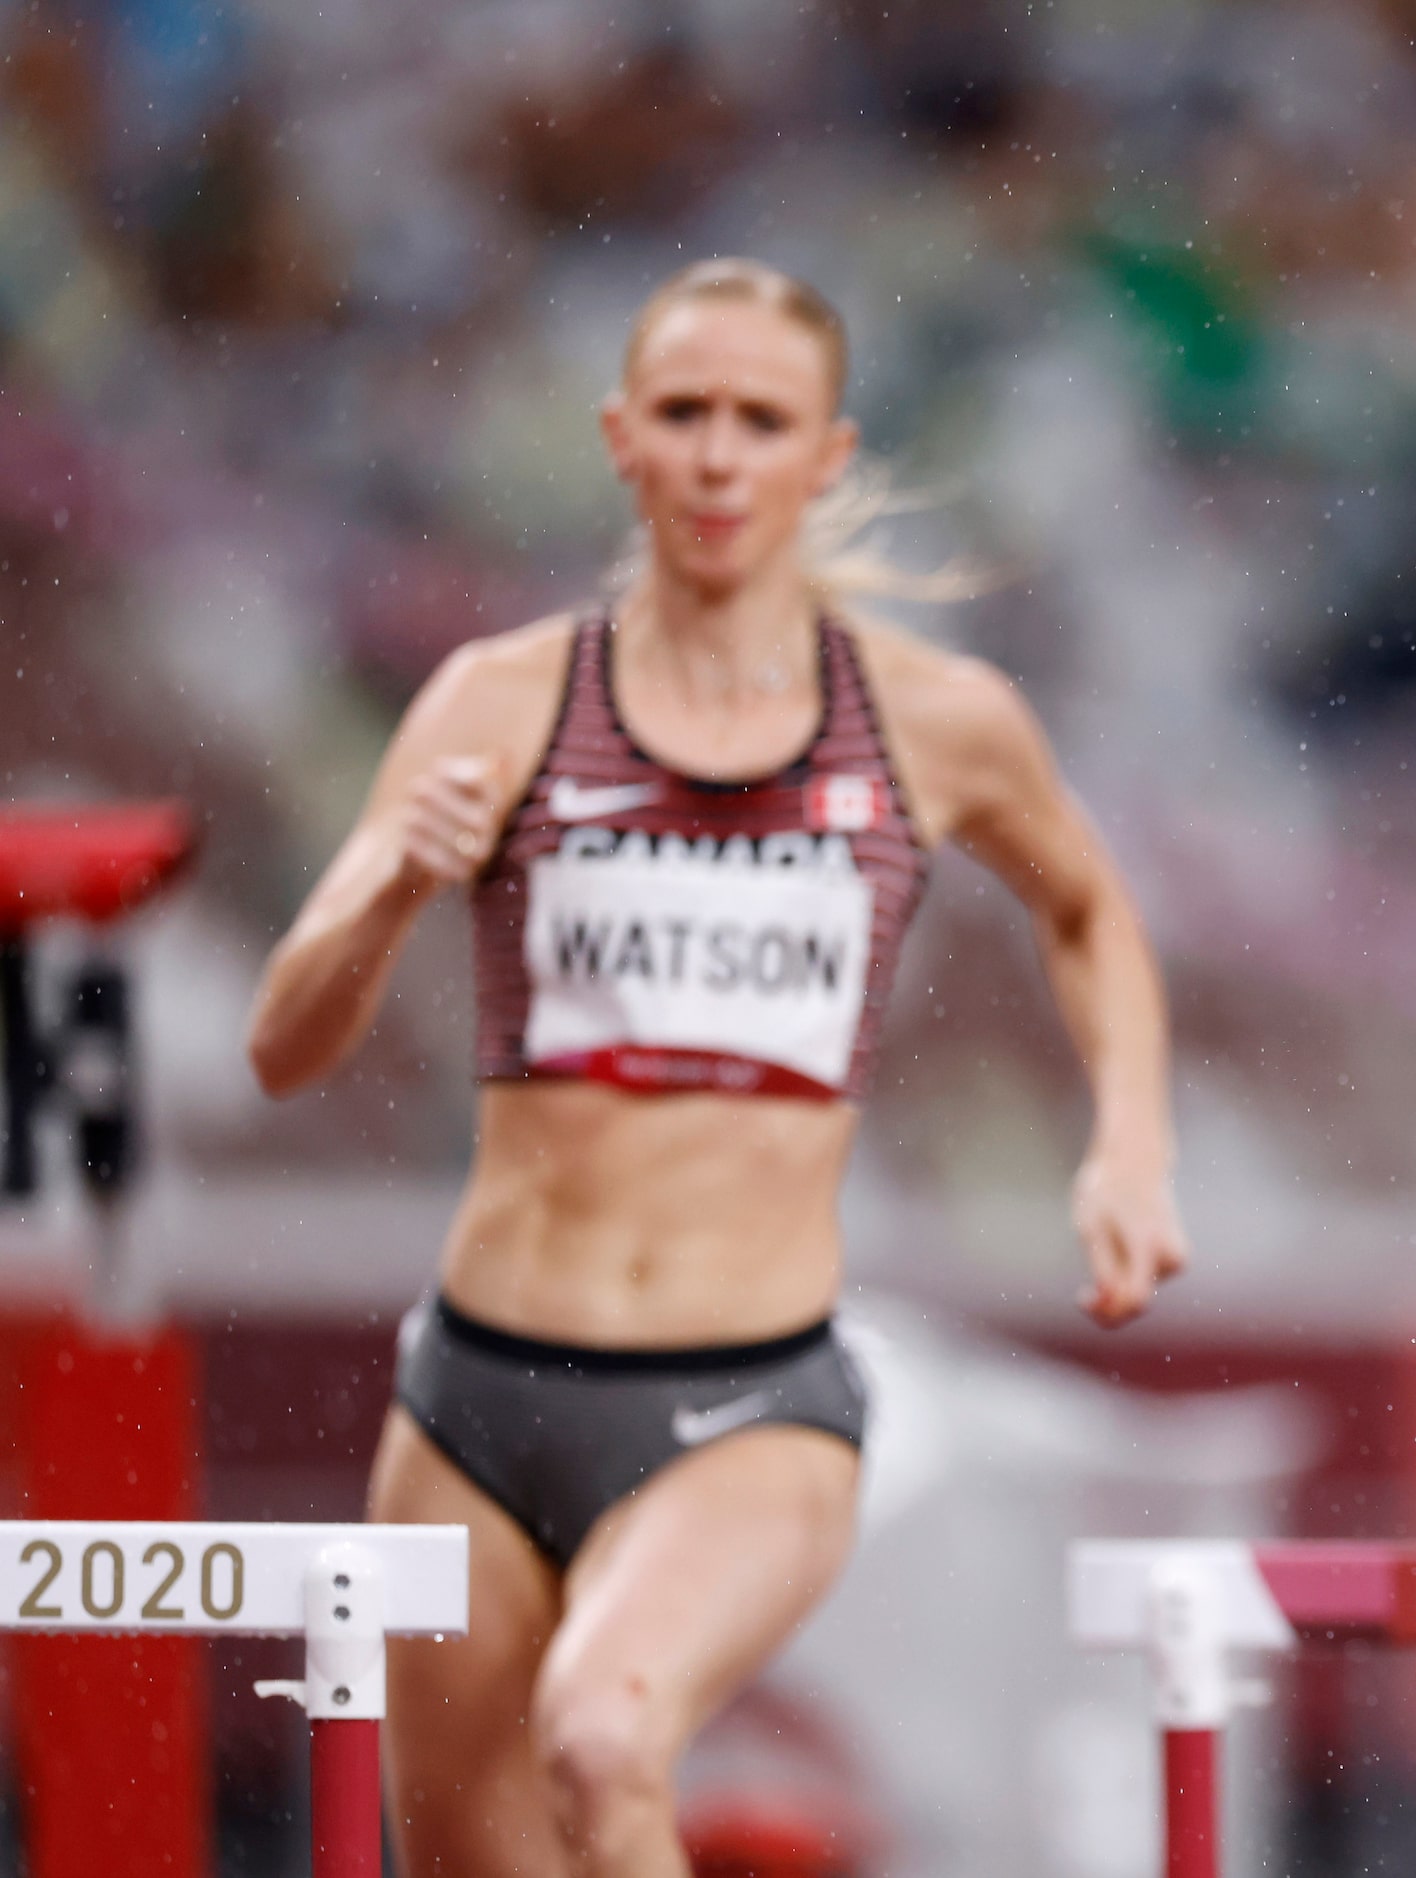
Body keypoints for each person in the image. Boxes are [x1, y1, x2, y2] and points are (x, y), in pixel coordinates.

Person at [246, 258, 1188, 1875]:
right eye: (683, 414)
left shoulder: (933, 721)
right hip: (473, 1397)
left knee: (608, 1739)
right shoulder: (499, 700)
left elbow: (1088, 904)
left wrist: (1129, 1142)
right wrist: (400, 876)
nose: (716, 455)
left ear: (825, 455)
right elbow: (285, 1044)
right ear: (620, 437)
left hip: (746, 1395)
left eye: (761, 421)